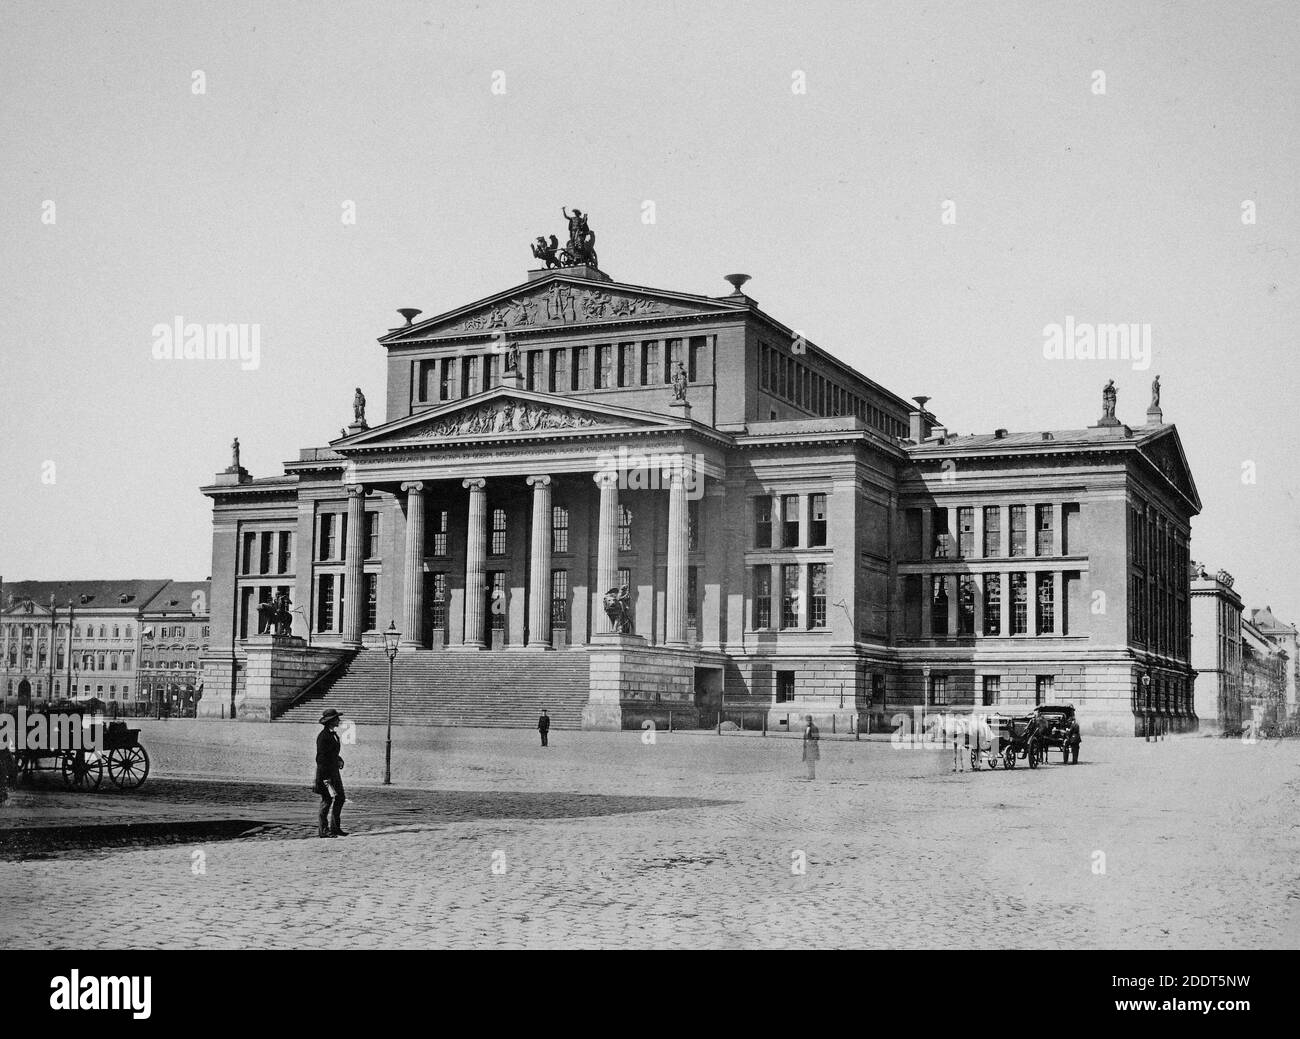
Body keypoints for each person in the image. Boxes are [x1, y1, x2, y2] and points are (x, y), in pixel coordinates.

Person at [314, 708, 347, 837]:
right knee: (326, 801)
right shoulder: (323, 736)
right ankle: (323, 830)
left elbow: (331, 753)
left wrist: (339, 759)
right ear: (331, 721)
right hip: (325, 774)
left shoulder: (332, 734)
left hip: (334, 772)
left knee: (340, 798)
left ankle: (335, 827)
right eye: (337, 718)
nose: (339, 720)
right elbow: (321, 758)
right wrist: (326, 778)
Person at [801, 714, 820, 780]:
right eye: (807, 720)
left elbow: (816, 738)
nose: (808, 721)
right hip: (807, 747)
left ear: (811, 720)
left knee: (811, 761)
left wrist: (810, 743)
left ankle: (812, 775)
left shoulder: (814, 728)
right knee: (808, 761)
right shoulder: (806, 728)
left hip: (812, 747)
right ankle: (810, 774)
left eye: (809, 720)